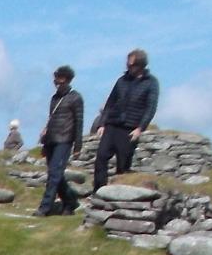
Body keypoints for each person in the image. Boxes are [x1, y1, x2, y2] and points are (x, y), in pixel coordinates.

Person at [91, 49, 160, 191]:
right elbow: (110, 103)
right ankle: (98, 192)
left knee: (123, 165)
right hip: (112, 125)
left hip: (130, 128)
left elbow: (150, 108)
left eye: (131, 65)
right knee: (101, 158)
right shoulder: (121, 81)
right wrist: (102, 124)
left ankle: (117, 196)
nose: (128, 67)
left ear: (141, 65)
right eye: (127, 64)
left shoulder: (151, 83)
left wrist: (140, 128)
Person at [36, 65, 84, 217]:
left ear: (68, 79)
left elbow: (79, 122)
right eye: (56, 78)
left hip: (65, 140)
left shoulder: (76, 97)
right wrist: (44, 143)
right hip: (51, 140)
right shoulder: (54, 98)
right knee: (55, 174)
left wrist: (78, 145)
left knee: (55, 173)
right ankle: (70, 201)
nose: (57, 81)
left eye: (60, 78)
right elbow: (51, 120)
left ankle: (45, 207)